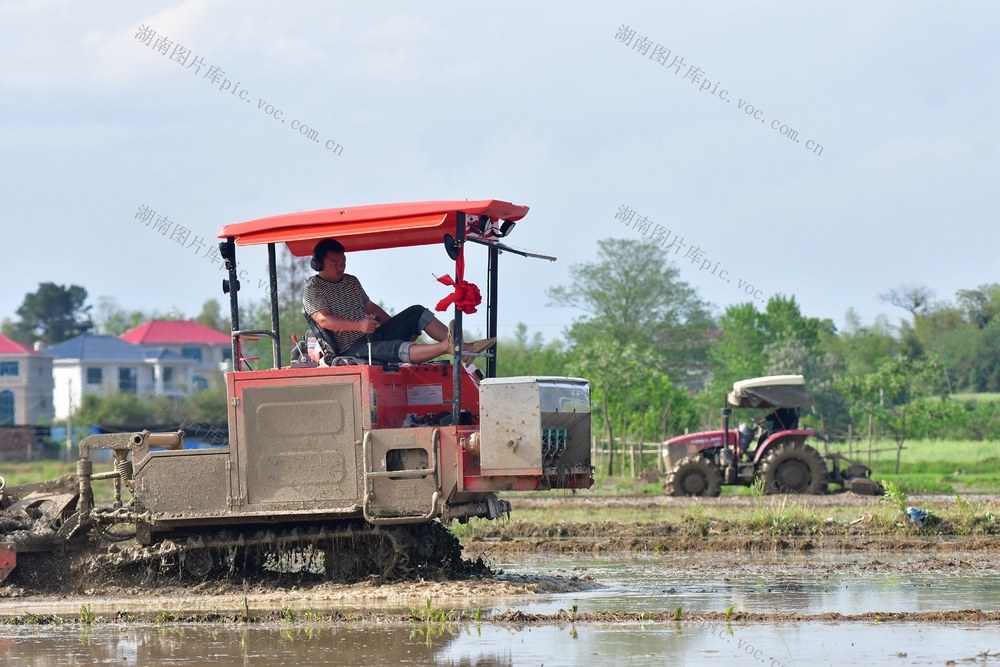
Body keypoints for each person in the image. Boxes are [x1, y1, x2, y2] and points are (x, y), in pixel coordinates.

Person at [302, 238, 495, 364]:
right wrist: (359, 325)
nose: (341, 266)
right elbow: (324, 319)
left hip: (372, 335)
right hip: (352, 348)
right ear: (319, 264)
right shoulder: (313, 288)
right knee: (395, 348)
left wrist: (397, 326)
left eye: (343, 261)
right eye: (335, 263)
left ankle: (464, 348)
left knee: (416, 312)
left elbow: (370, 306)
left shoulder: (351, 281)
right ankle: (448, 347)